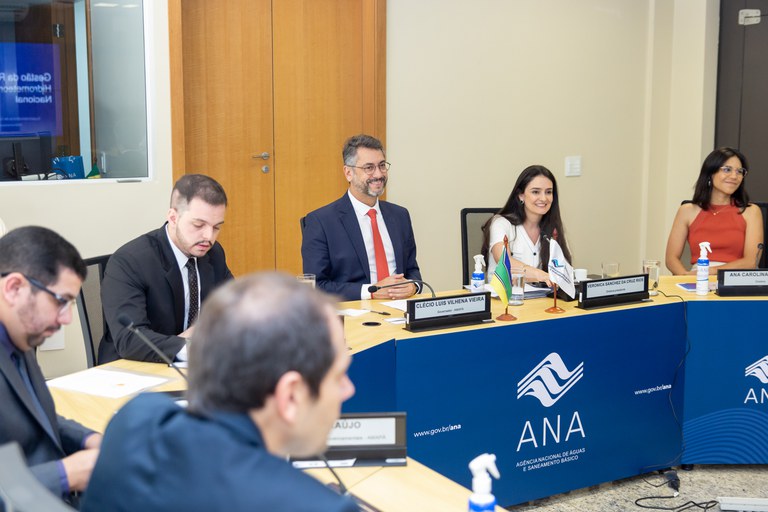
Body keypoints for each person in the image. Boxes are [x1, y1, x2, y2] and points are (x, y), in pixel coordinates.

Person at [81, 273, 358, 512]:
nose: (349, 389)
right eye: (338, 376)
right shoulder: (320, 506)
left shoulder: (134, 419)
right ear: (290, 395)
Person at [0, 226, 102, 507]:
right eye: (61, 301)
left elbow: (38, 415)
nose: (67, 318)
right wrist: (65, 475)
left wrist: (89, 440)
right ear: (14, 288)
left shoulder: (20, 335)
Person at [99, 174, 233, 363]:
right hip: (133, 370)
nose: (209, 236)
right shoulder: (130, 261)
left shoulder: (213, 253)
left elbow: (233, 307)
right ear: (173, 217)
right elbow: (130, 340)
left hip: (194, 367)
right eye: (198, 225)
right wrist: (189, 344)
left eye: (216, 227)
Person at [301, 134, 421, 301]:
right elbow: (316, 286)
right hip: (356, 313)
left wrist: (413, 286)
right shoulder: (321, 221)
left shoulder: (400, 215)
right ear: (348, 173)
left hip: (401, 310)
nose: (378, 174)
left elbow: (412, 270)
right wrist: (371, 291)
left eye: (382, 165)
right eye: (369, 168)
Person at [665, 147, 764, 275]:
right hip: (697, 280)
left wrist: (709, 272)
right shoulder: (687, 211)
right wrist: (686, 278)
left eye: (740, 171)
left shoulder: (751, 212)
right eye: (727, 170)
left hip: (734, 279)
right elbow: (671, 259)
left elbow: (751, 261)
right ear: (710, 173)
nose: (735, 176)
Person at [481, 165, 572, 284]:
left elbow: (565, 269)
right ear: (521, 195)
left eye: (548, 192)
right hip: (505, 299)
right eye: (536, 192)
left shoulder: (553, 229)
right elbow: (505, 262)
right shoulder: (500, 223)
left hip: (541, 299)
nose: (544, 198)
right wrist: (542, 275)